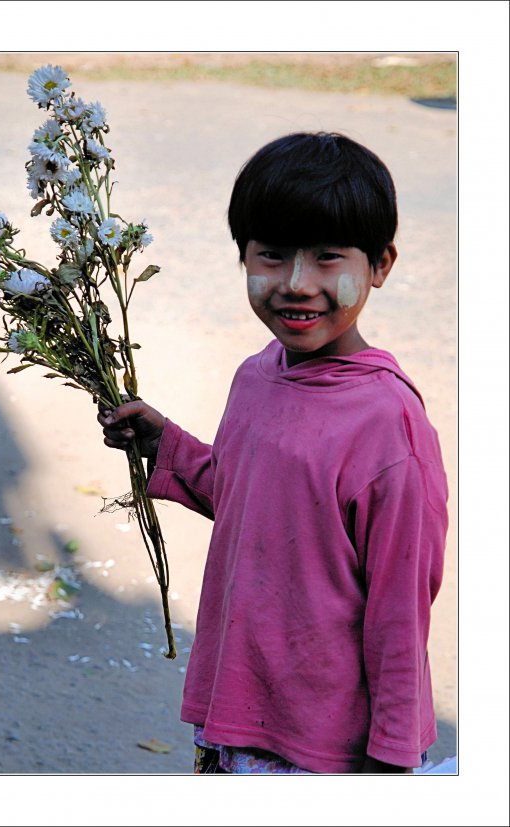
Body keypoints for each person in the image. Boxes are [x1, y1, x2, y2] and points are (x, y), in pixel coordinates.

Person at [97, 132, 449, 774]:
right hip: (240, 709)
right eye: (272, 255)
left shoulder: (387, 426)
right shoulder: (256, 377)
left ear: (380, 265)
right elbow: (256, 504)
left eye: (326, 258)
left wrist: (392, 759)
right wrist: (165, 444)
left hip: (329, 747)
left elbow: (400, 610)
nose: (294, 283)